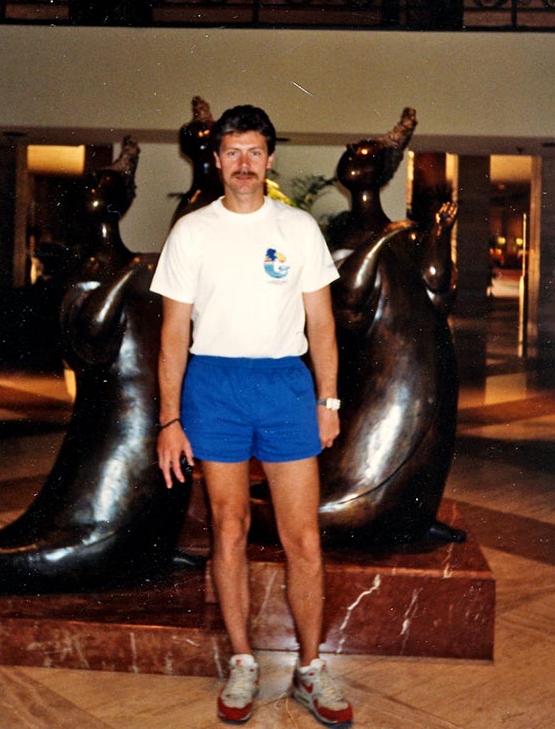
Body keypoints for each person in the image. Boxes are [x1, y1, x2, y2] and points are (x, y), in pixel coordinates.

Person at [151, 105, 353, 727]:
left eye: (254, 152)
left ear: (270, 159)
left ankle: (310, 668)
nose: (244, 164)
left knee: (303, 537)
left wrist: (328, 401)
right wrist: (168, 421)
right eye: (233, 152)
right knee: (229, 526)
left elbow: (322, 323)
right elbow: (172, 333)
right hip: (214, 386)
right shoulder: (192, 232)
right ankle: (242, 661)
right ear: (216, 160)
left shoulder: (298, 228)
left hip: (284, 386)